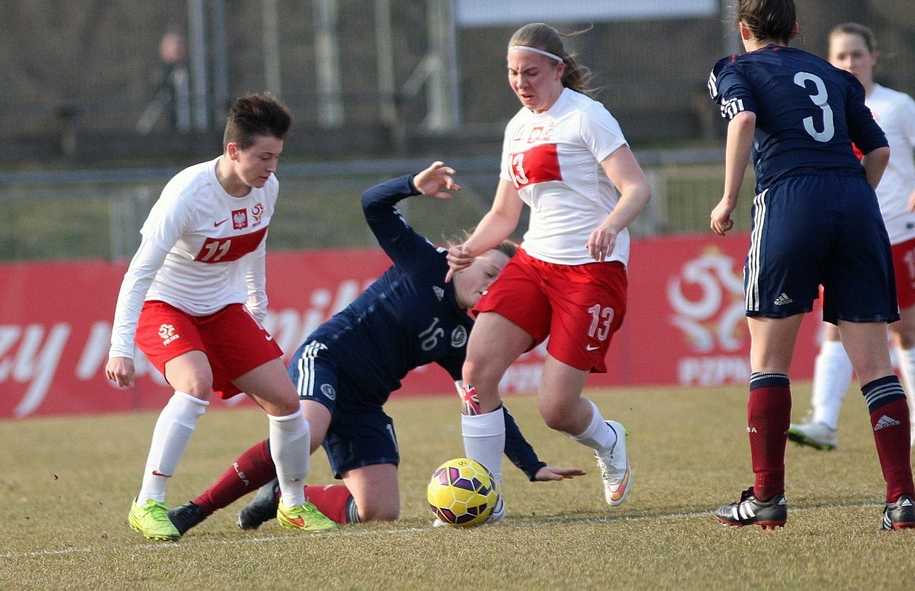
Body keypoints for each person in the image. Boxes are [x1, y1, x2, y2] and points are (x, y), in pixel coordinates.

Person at [164, 162, 584, 535]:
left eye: (500, 284)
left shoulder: (464, 335)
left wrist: (531, 464)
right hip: (326, 359)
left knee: (379, 511)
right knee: (304, 435)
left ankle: (284, 498)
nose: (491, 284)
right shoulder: (425, 262)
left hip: (364, 402)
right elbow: (372, 205)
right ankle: (196, 509)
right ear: (466, 255)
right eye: (489, 270)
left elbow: (481, 401)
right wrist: (412, 186)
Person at [707, 0, 915, 530]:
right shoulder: (835, 75)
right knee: (875, 365)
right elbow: (878, 152)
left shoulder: (734, 67)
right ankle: (900, 500)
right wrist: (849, 201)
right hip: (854, 201)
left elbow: (745, 117)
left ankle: (767, 499)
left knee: (769, 362)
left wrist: (728, 198)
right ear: (795, 28)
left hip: (790, 199)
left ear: (745, 28)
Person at [106, 93, 337, 541]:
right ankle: (147, 502)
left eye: (277, 158)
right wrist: (121, 348)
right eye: (263, 157)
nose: (271, 168)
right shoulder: (187, 196)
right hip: (164, 304)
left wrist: (257, 307)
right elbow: (138, 274)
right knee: (195, 385)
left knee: (288, 405)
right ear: (233, 151)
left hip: (223, 309)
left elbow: (255, 245)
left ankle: (292, 504)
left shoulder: (266, 187)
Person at [445, 23, 652, 518]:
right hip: (534, 264)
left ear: (558, 70)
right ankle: (486, 500)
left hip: (591, 273)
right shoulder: (516, 127)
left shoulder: (587, 117)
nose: (521, 82)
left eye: (531, 72)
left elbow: (637, 188)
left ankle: (609, 439)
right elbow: (504, 214)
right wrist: (469, 249)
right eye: (513, 73)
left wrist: (610, 225)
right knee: (475, 373)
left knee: (556, 409)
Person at [788, 23, 915, 451]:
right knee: (835, 328)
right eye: (840, 56)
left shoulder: (896, 105)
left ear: (873, 56)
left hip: (897, 230)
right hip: (847, 232)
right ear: (828, 60)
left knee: (904, 330)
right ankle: (823, 421)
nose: (849, 63)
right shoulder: (827, 105)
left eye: (857, 54)